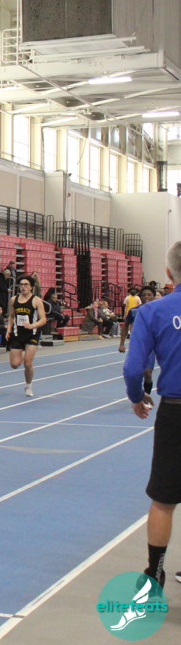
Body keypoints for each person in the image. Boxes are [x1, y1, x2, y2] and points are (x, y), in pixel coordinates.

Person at [123, 243, 181, 591]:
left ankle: (155, 572)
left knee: (164, 499)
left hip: (175, 410)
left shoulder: (152, 311)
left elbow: (133, 368)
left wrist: (136, 397)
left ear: (169, 273)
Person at [6, 276, 47, 397]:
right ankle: (24, 353)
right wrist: (8, 329)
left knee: (28, 363)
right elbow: (11, 316)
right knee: (14, 364)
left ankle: (28, 386)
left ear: (31, 287)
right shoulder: (13, 300)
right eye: (21, 284)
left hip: (31, 334)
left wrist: (32, 325)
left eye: (26, 284)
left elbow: (43, 319)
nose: (23, 287)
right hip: (17, 334)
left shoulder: (36, 301)